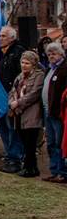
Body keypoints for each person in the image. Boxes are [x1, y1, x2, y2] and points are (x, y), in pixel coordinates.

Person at [0, 26, 26, 173]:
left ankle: (15, 158)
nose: (0, 38)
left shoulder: (18, 52)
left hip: (11, 97)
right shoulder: (0, 53)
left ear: (12, 38)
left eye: (3, 36)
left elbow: (20, 77)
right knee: (4, 129)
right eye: (0, 36)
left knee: (13, 129)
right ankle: (9, 156)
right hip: (0, 97)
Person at [8, 50, 43, 178]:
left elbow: (34, 94)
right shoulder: (20, 76)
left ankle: (30, 167)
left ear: (33, 64)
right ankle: (30, 166)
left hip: (31, 113)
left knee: (30, 143)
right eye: (22, 62)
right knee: (24, 141)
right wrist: (12, 102)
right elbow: (13, 91)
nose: (24, 65)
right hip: (19, 114)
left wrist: (18, 102)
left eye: (27, 63)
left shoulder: (39, 75)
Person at [41, 41, 67, 183]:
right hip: (47, 112)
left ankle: (62, 171)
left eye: (54, 53)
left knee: (59, 143)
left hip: (58, 113)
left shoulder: (64, 68)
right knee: (50, 143)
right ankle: (54, 170)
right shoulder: (49, 69)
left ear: (61, 54)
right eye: (49, 53)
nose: (51, 56)